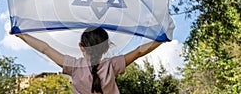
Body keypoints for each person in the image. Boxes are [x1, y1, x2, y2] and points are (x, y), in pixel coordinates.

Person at [14, 27, 164, 94]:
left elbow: (45, 48)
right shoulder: (112, 65)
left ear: (81, 47)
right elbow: (138, 52)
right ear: (106, 48)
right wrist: (161, 40)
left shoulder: (73, 66)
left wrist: (22, 35)